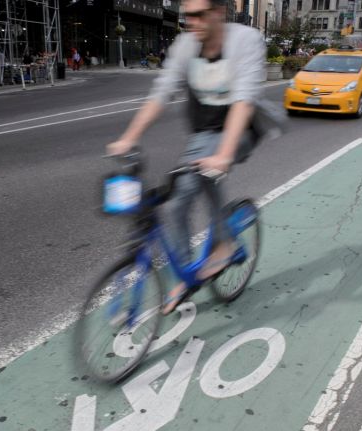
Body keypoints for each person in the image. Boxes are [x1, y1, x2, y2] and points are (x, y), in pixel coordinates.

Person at [106, 0, 265, 314]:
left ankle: (226, 243)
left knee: (205, 171)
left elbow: (244, 101)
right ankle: (185, 275)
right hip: (203, 134)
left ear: (218, 13)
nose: (190, 22)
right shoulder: (185, 46)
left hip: (240, 130)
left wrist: (223, 154)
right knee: (177, 203)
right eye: (185, 16)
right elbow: (161, 93)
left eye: (198, 15)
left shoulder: (245, 40)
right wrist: (129, 137)